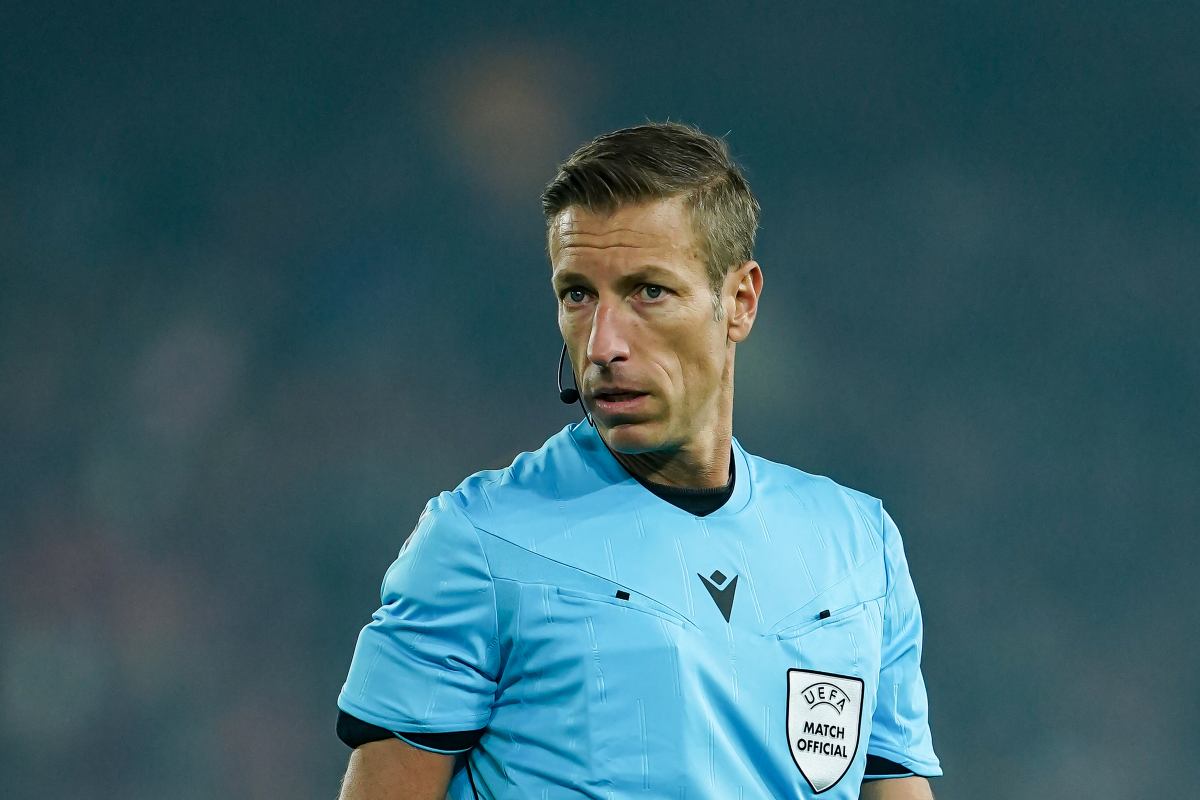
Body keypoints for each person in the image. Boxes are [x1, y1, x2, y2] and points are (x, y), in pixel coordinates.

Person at [334, 122, 941, 799]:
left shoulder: (857, 545)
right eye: (577, 294)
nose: (603, 344)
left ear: (739, 301)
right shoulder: (476, 542)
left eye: (648, 291)